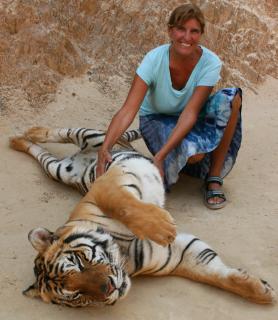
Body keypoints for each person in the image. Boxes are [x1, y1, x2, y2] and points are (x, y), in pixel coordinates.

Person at [96, 3, 242, 210]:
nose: (187, 37)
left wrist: (160, 156)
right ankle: (190, 159)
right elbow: (129, 108)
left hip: (188, 117)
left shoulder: (211, 62)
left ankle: (214, 177)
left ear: (201, 34)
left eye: (194, 31)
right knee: (195, 154)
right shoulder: (154, 59)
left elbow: (190, 113)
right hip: (156, 118)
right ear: (170, 30)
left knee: (232, 98)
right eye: (181, 29)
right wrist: (105, 147)